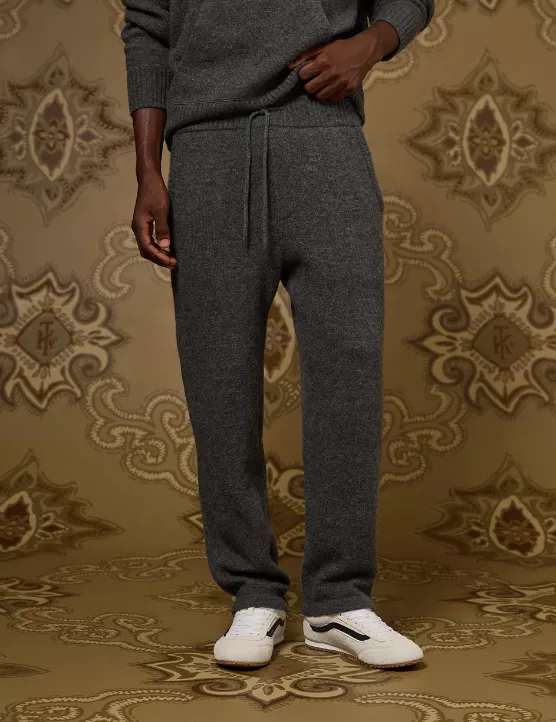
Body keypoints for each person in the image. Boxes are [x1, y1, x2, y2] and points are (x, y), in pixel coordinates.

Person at [121, 0, 434, 669]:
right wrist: (149, 170)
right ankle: (253, 593)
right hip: (206, 155)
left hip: (326, 140)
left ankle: (338, 600)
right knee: (219, 381)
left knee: (348, 376)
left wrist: (371, 44)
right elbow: (147, 27)